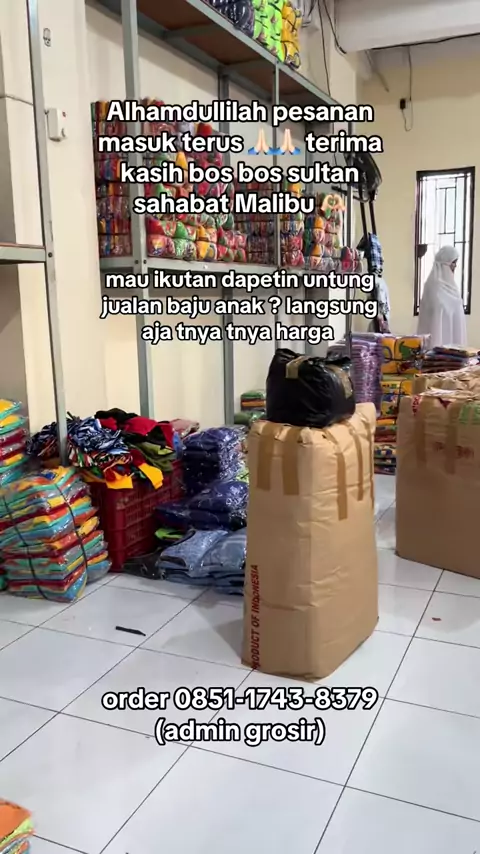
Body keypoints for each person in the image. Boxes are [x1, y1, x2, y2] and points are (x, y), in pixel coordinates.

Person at [417, 246, 467, 348]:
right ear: (444, 263)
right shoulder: (432, 287)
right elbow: (430, 319)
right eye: (453, 262)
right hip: (436, 345)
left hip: (455, 348)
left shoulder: (454, 288)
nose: (455, 266)